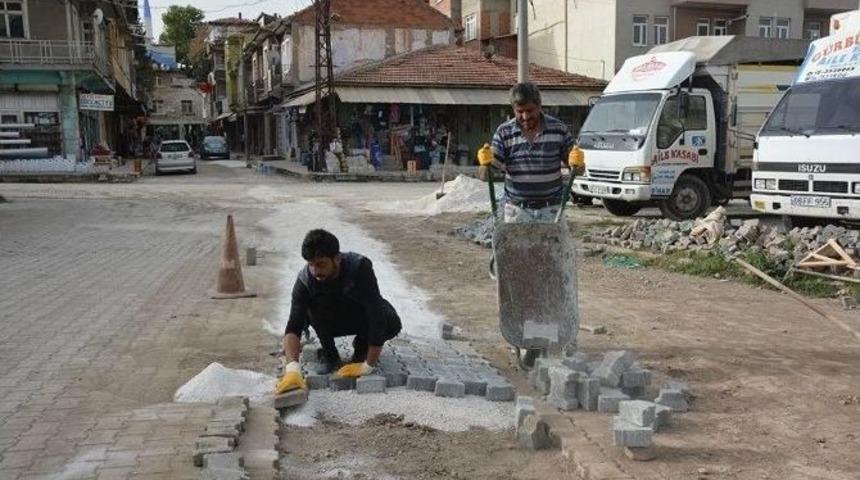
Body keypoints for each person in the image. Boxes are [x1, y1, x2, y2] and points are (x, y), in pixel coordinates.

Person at [275, 229, 402, 394]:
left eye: (321, 264)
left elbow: (375, 312)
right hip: (328, 320)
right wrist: (292, 370)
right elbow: (293, 326)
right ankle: (330, 355)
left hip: (358, 314)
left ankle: (362, 347)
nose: (315, 271)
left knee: (391, 322)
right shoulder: (305, 280)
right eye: (311, 264)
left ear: (337, 258)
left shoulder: (359, 267)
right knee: (313, 308)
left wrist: (369, 365)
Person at [479, 82, 576, 223]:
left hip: (551, 211)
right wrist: (485, 164)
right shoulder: (504, 132)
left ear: (539, 106)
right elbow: (486, 176)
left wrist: (578, 163)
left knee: (551, 246)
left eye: (530, 110)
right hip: (516, 211)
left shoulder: (559, 130)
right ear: (513, 109)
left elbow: (576, 170)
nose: (525, 116)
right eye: (520, 111)